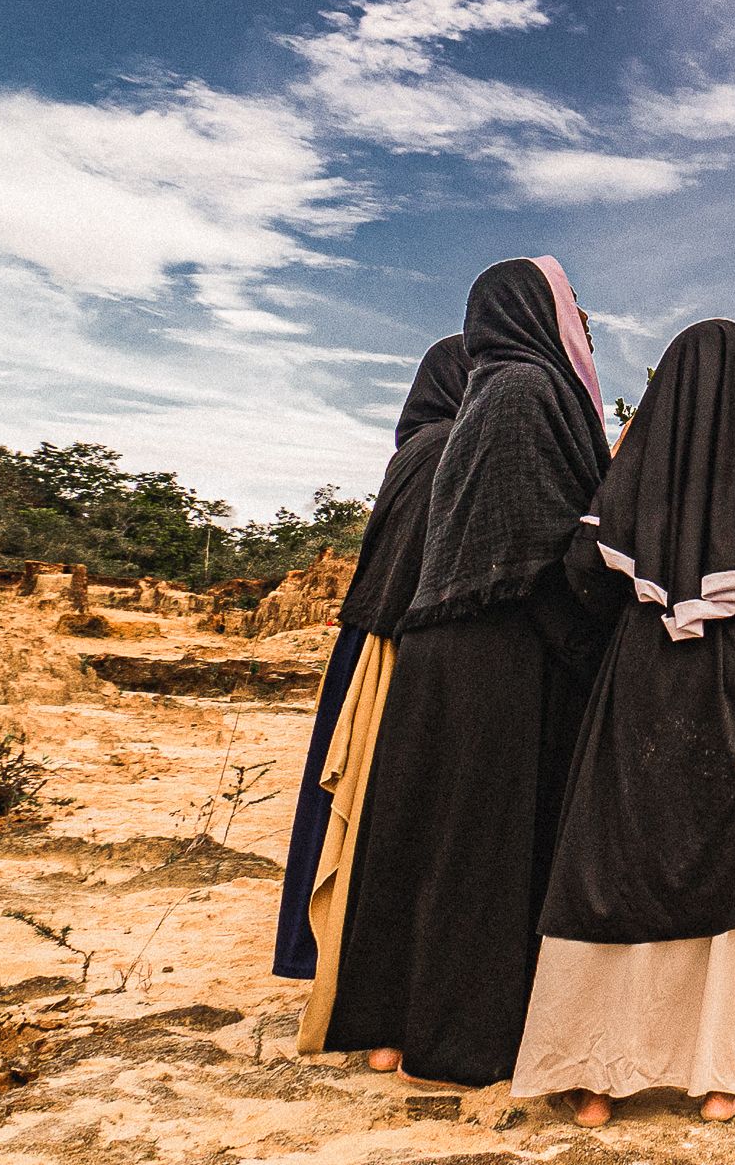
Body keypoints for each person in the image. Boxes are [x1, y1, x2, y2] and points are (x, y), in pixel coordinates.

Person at [512, 320, 735, 1128]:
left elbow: (584, 573)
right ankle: (724, 1080)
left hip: (644, 679)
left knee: (616, 859)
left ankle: (594, 1083)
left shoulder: (638, 469)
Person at [324, 258, 610, 1087]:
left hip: (446, 648)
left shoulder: (485, 396)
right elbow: (536, 540)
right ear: (533, 312)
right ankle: (460, 1041)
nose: (580, 320)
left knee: (424, 837)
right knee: (483, 846)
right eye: (571, 304)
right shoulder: (525, 391)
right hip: (501, 652)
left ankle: (393, 1026)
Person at [277, 335, 470, 1050]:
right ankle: (382, 1001)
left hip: (374, 641)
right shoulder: (445, 450)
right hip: (401, 651)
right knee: (393, 817)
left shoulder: (413, 451)